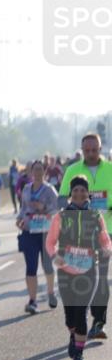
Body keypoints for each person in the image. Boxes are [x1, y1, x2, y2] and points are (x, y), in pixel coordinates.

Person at [47, 176, 112, 360]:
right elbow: (50, 242)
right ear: (70, 193)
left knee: (81, 311)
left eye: (83, 190)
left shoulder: (95, 215)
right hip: (66, 270)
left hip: (88, 269)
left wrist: (107, 249)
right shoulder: (61, 216)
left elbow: (105, 239)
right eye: (75, 190)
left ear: (87, 194)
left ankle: (79, 355)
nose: (79, 193)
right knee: (70, 316)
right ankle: (73, 335)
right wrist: (54, 257)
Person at [59, 132, 111, 340]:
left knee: (102, 278)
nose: (90, 154)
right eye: (87, 150)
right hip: (77, 237)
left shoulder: (110, 169)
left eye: (94, 150)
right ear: (82, 150)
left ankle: (98, 322)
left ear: (100, 149)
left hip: (105, 230)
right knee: (77, 279)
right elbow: (62, 199)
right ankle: (78, 319)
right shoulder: (73, 170)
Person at [17, 160, 60, 313]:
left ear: (44, 171)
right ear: (30, 172)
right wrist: (19, 219)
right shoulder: (27, 189)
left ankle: (50, 293)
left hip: (45, 232)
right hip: (29, 231)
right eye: (35, 170)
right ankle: (32, 300)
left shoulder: (49, 190)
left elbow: (57, 208)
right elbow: (23, 208)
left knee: (47, 265)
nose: (37, 173)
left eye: (40, 170)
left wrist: (44, 208)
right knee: (31, 266)